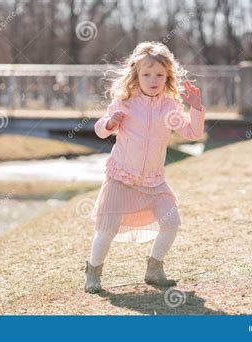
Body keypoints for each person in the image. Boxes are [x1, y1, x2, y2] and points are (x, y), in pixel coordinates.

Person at [85, 41, 205, 293]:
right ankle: (93, 272)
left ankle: (154, 269)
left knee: (171, 223)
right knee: (107, 229)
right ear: (136, 75)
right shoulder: (125, 102)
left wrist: (195, 106)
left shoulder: (170, 106)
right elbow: (100, 131)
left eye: (160, 75)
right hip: (122, 176)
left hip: (153, 179)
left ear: (168, 76)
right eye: (147, 74)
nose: (153, 79)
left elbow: (193, 132)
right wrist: (110, 122)